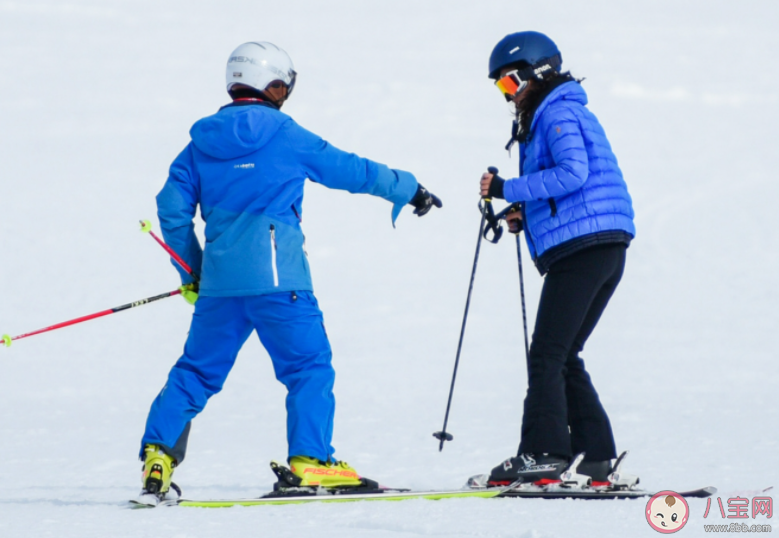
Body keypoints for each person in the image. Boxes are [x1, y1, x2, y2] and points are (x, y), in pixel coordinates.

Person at [135, 41, 441, 505]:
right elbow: (351, 170)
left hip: (220, 286)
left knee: (196, 371)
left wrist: (192, 271)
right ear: (273, 85)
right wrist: (409, 188)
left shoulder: (197, 145)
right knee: (307, 368)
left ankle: (158, 456)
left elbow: (171, 211)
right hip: (281, 282)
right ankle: (311, 460)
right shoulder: (285, 134)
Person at [478, 31, 635, 487]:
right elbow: (568, 187)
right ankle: (596, 457)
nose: (508, 95)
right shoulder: (554, 112)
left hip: (585, 248)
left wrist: (509, 188)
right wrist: (523, 211)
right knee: (564, 354)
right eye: (500, 89)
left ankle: (543, 453)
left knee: (546, 354)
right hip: (600, 246)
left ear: (536, 73)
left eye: (510, 83)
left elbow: (572, 173)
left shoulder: (559, 112)